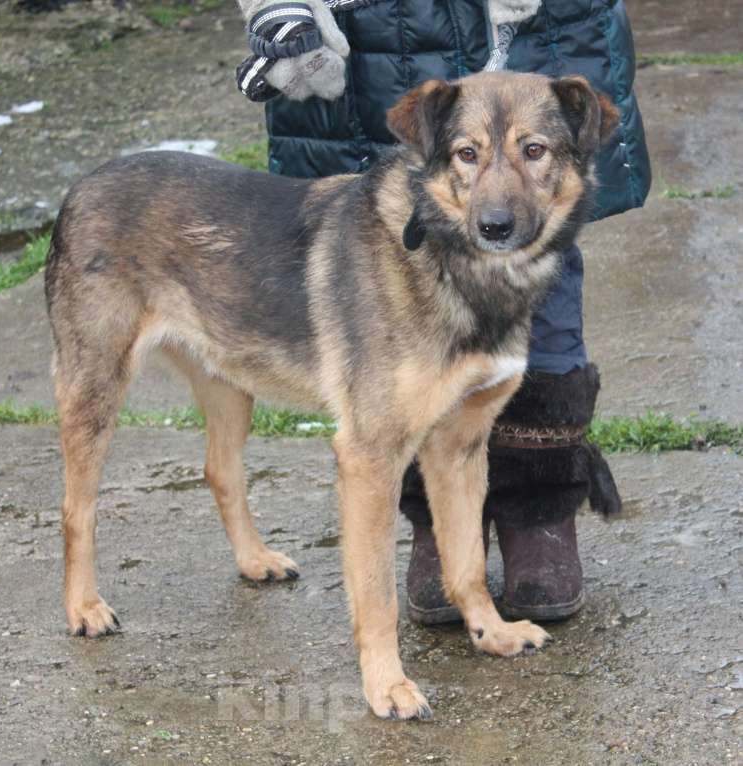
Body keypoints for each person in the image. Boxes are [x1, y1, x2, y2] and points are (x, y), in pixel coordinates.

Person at [234, 0, 651, 623]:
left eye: (533, 153)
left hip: (534, 28)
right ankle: (433, 523)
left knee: (547, 302)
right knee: (390, 352)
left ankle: (538, 510)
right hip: (370, 45)